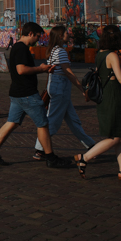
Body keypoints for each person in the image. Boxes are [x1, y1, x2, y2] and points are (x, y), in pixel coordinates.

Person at [0, 22, 69, 168]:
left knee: (12, 122)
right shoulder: (22, 48)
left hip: (17, 93)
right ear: (30, 34)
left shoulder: (17, 47)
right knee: (43, 124)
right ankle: (51, 158)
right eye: (37, 36)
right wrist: (41, 69)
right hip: (27, 94)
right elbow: (21, 70)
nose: (38, 39)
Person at [74, 25, 121, 181]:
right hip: (112, 96)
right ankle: (84, 158)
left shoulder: (100, 54)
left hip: (105, 95)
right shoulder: (112, 55)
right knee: (116, 137)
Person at [31, 25, 95, 160]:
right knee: (53, 120)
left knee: (73, 121)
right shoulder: (60, 51)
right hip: (61, 87)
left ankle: (91, 145)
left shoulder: (53, 50)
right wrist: (82, 89)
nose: (68, 34)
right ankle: (40, 149)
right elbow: (68, 72)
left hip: (57, 86)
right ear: (60, 36)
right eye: (66, 32)